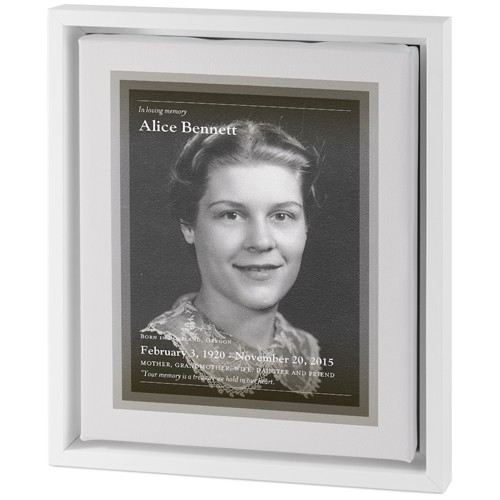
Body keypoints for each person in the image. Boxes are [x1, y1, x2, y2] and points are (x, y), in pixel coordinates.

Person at [140, 120, 323, 399]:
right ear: (188, 226)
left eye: (282, 215)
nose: (261, 241)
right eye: (231, 215)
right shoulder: (148, 360)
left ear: (305, 227)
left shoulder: (309, 352)